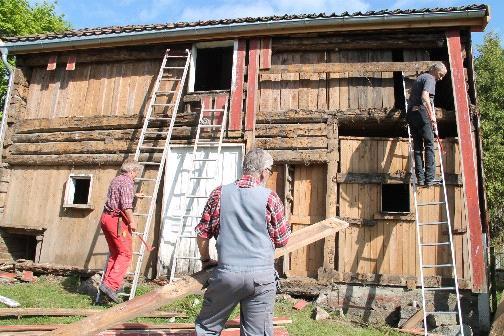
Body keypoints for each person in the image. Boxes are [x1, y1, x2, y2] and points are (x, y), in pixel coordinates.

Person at [194, 148, 291, 336]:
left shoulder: (219, 194)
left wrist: (206, 260)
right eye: (269, 172)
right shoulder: (270, 198)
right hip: (261, 278)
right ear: (264, 172)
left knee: (207, 329)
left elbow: (202, 234)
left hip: (227, 275)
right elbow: (282, 239)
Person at [99, 160, 142, 303]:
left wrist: (135, 195)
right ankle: (111, 285)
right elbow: (125, 205)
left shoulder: (116, 179)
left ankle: (106, 285)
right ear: (131, 171)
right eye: (136, 173)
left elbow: (118, 197)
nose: (136, 176)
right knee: (125, 254)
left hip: (106, 217)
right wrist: (132, 221)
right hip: (116, 221)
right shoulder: (127, 182)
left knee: (115, 253)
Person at [406, 62, 448, 186]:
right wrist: (432, 116)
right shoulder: (430, 78)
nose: (440, 78)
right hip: (422, 113)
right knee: (429, 144)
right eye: (440, 74)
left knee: (418, 147)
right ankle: (429, 178)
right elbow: (425, 97)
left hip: (412, 114)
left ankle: (420, 178)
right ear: (434, 69)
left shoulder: (420, 78)